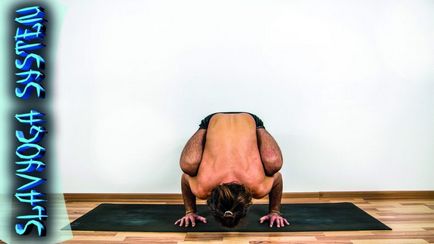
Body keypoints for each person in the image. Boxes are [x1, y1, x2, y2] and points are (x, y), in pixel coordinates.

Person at [174, 112, 290, 228]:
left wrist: (275, 212)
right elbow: (185, 178)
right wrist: (190, 212)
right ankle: (256, 127)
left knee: (274, 164)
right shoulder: (203, 188)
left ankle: (206, 127)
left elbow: (277, 178)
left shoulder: (257, 187)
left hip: (238, 120)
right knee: (187, 166)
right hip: (218, 121)